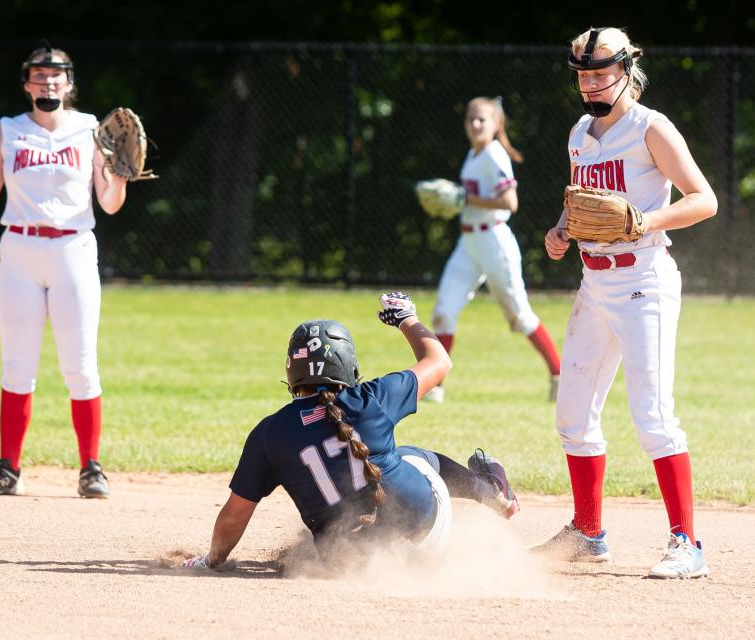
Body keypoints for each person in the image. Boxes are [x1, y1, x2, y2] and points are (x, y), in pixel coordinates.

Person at [534, 27, 718, 579]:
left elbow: (703, 199)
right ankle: (589, 534)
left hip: (644, 281)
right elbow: (579, 202)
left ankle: (687, 543)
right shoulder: (580, 132)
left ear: (626, 69)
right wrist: (561, 230)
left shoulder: (649, 127)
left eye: (600, 72)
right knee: (572, 415)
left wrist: (647, 219)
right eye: (583, 74)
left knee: (652, 415)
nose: (589, 82)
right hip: (594, 283)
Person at [181, 293, 519, 571]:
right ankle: (486, 488)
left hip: (349, 564)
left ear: (292, 370)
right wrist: (406, 318)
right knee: (411, 456)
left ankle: (401, 556)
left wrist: (211, 560)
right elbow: (440, 361)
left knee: (336, 523)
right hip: (427, 533)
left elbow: (235, 515)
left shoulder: (269, 433)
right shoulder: (371, 398)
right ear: (349, 365)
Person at [0, 44, 131, 498]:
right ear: (26, 84)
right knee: (17, 364)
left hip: (72, 249)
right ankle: (8, 469)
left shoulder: (90, 131)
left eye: (56, 76)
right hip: (20, 249)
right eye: (39, 76)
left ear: (69, 83)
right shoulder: (8, 132)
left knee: (80, 365)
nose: (48, 83)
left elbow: (109, 203)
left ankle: (90, 468)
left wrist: (119, 176)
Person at [427, 97, 561, 404]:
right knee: (444, 313)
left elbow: (510, 203)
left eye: (482, 120)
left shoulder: (492, 154)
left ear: (496, 125)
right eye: (471, 119)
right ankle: (435, 385)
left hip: (494, 241)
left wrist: (464, 199)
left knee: (520, 316)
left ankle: (559, 373)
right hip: (468, 243)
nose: (475, 124)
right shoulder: (473, 154)